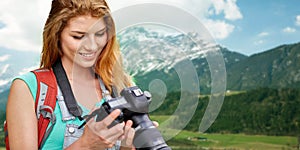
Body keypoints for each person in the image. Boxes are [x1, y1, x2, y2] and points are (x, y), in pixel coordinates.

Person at [6, 0, 137, 149]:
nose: (92, 46)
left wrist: (128, 146)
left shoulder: (121, 84)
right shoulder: (29, 88)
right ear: (57, 35)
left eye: (100, 34)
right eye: (78, 36)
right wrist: (85, 144)